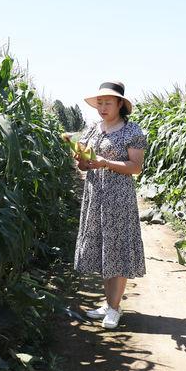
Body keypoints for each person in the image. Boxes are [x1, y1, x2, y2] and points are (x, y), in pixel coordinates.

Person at [72, 81, 147, 329]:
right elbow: (83, 166)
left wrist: (106, 162)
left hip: (119, 199)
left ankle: (114, 308)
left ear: (119, 104)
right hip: (96, 196)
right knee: (104, 250)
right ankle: (108, 303)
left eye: (108, 102)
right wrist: (82, 161)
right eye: (100, 103)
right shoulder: (93, 129)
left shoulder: (132, 131)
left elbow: (136, 168)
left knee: (118, 249)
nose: (103, 107)